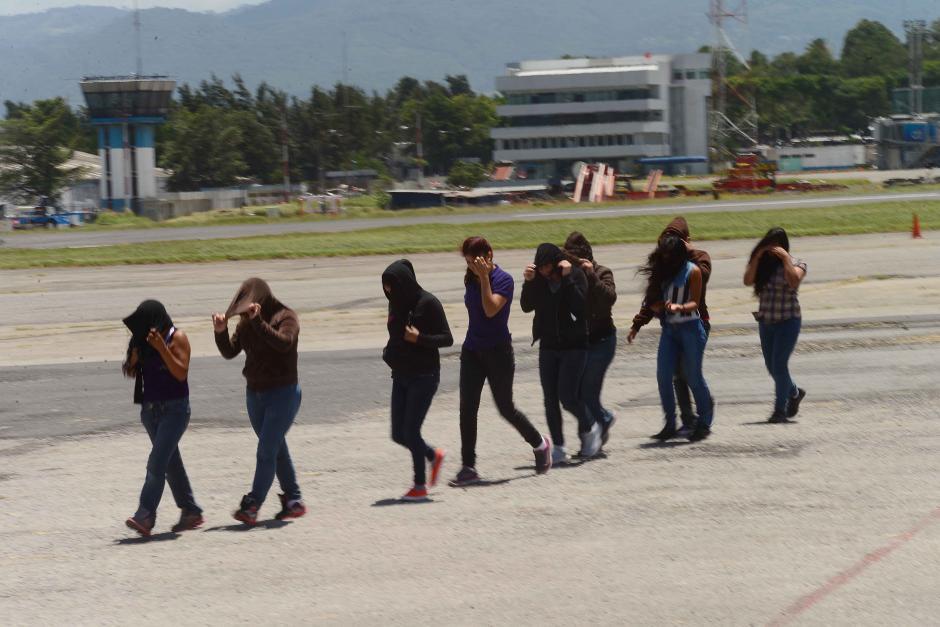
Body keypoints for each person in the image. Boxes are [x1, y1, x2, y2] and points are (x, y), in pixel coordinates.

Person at [452, 237, 552, 486]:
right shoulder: (470, 278)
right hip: (472, 351)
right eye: (468, 263)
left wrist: (485, 278)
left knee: (505, 408)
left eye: (474, 262)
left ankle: (540, 443)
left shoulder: (503, 280)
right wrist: (477, 276)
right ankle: (468, 467)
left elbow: (490, 310)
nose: (471, 267)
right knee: (467, 408)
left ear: (489, 255)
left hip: (498, 352)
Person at [213, 278, 306, 525]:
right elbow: (230, 351)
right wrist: (221, 332)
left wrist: (259, 322)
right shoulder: (246, 323)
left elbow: (284, 344)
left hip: (283, 394)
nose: (245, 315)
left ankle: (253, 504)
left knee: (266, 450)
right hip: (255, 395)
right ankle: (294, 500)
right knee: (275, 448)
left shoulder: (286, 317)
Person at [122, 300, 203, 537]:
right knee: (169, 462)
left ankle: (145, 514)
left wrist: (161, 348)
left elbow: (180, 373)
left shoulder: (177, 337)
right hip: (150, 411)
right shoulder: (142, 339)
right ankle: (191, 511)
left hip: (175, 411)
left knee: (157, 462)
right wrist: (132, 361)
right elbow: (130, 371)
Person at [629, 217, 712, 437]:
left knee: (692, 376)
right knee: (665, 375)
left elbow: (698, 293)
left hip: (693, 326)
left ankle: (704, 420)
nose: (665, 254)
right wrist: (639, 323)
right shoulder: (662, 267)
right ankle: (671, 423)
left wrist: (678, 307)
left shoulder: (695, 265)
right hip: (670, 329)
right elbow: (651, 298)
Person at [521, 243, 602, 463]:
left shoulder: (575, 275)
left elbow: (580, 307)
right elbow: (526, 306)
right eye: (540, 267)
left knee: (567, 397)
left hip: (574, 346)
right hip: (548, 346)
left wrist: (566, 280)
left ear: (556, 263)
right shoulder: (538, 279)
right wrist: (528, 282)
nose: (544, 271)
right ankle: (558, 446)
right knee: (550, 399)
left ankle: (590, 427)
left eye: (547, 266)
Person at [382, 259, 452, 501]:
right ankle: (433, 455)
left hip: (424, 376)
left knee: (411, 431)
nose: (389, 292)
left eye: (392, 287)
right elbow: (396, 335)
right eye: (386, 288)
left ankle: (419, 486)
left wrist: (420, 339)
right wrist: (389, 352)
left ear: (404, 284)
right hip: (401, 374)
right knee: (398, 434)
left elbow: (447, 339)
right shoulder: (395, 303)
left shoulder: (428, 303)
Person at [744, 227, 807, 423]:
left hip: (788, 321)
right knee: (772, 367)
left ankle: (779, 410)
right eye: (768, 245)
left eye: (776, 246)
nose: (772, 249)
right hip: (766, 321)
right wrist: (757, 257)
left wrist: (785, 258)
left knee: (779, 365)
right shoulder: (763, 265)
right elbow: (747, 281)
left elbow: (794, 281)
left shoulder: (798, 263)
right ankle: (794, 393)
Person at [564, 232, 618, 445]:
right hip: (581, 342)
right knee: (576, 392)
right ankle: (595, 431)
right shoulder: (570, 276)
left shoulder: (602, 272)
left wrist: (591, 276)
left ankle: (599, 426)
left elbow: (609, 298)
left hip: (602, 341)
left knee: (587, 392)